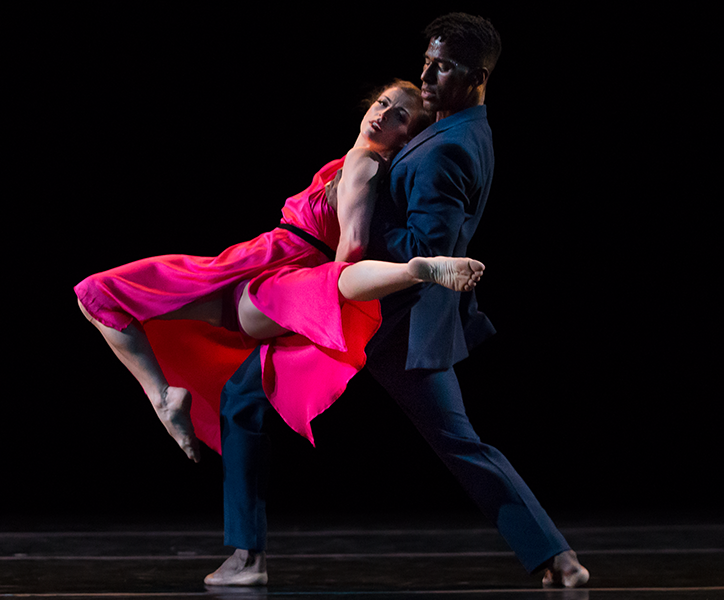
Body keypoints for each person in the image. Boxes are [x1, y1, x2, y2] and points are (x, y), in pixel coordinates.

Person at [206, 13, 589, 590]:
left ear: (478, 75)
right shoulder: (463, 129)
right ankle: (557, 557)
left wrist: (355, 210)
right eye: (428, 60)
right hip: (408, 326)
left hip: (381, 317)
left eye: (444, 66)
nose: (427, 74)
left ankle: (247, 559)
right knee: (459, 442)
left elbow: (427, 250)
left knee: (243, 398)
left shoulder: (445, 149)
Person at [75, 80, 484, 463]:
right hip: (257, 271)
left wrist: (330, 300)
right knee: (103, 296)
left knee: (101, 294)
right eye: (383, 103)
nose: (383, 114)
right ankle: (163, 398)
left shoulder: (362, 162)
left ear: (408, 136)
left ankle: (416, 270)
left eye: (400, 116)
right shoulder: (346, 164)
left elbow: (353, 245)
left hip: (277, 267)